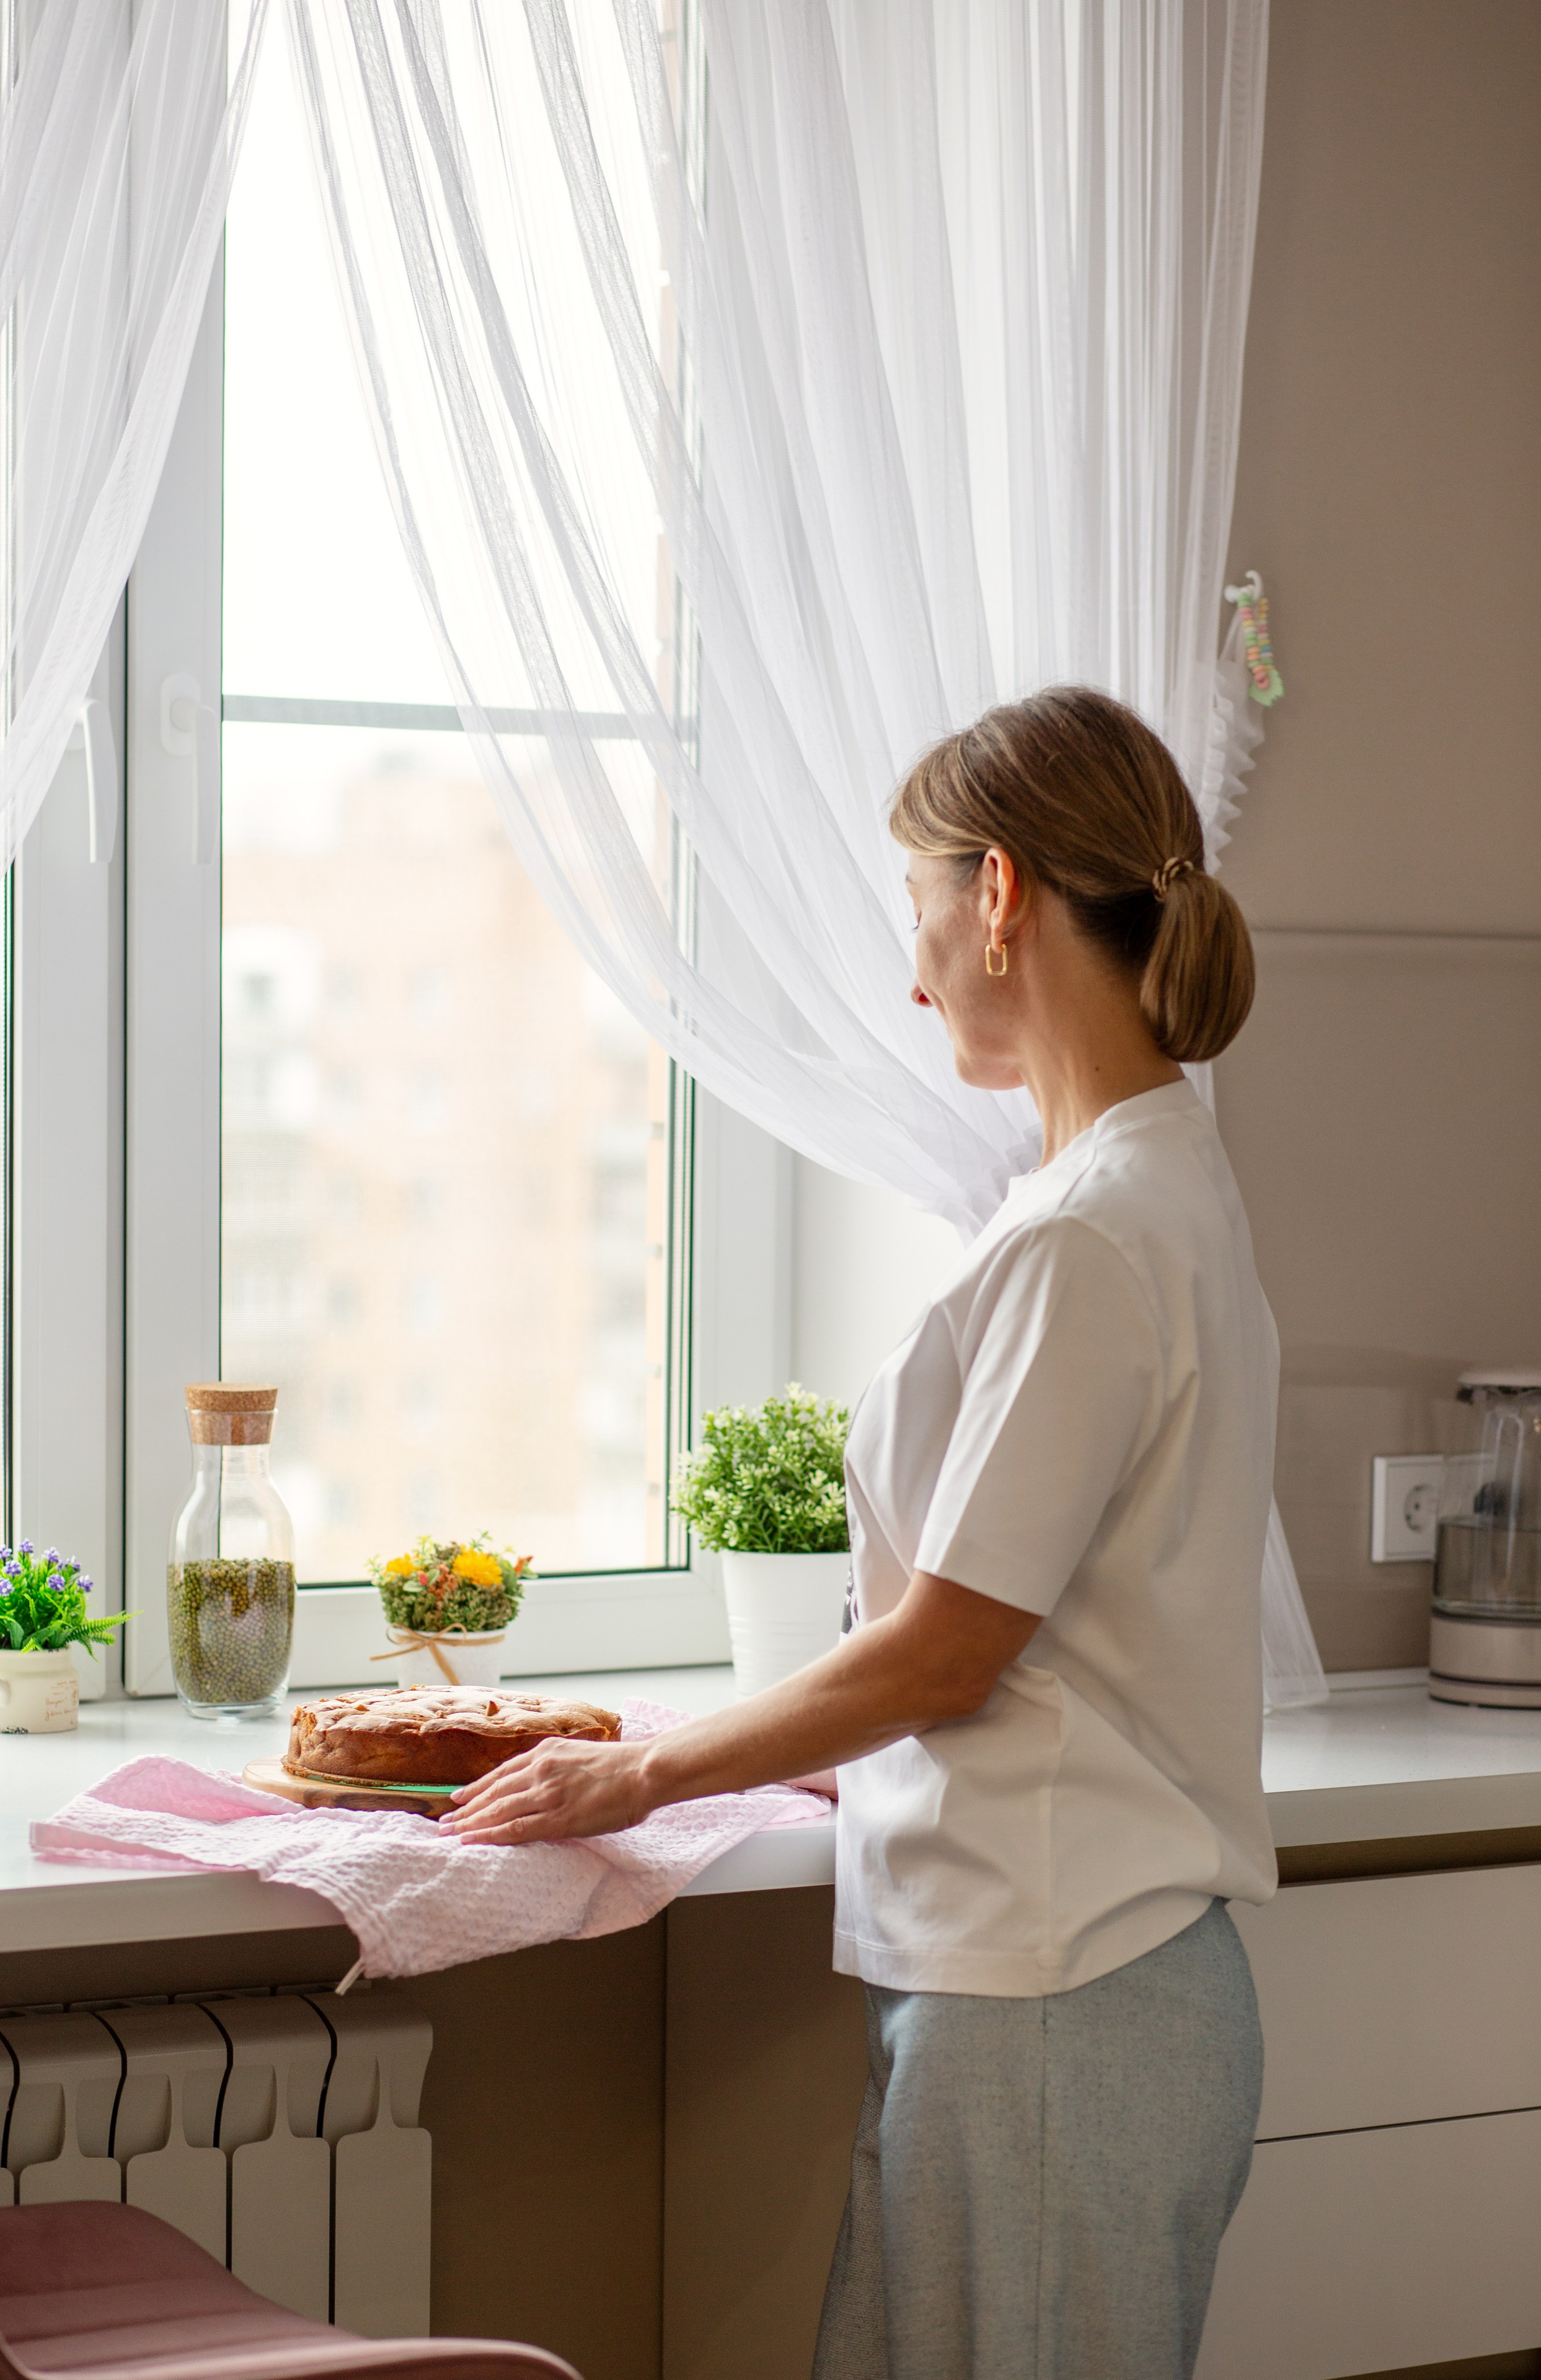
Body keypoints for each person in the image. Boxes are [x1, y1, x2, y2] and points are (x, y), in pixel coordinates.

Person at [440, 685, 1278, 2380]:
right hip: (1059, 1988)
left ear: (1002, 895)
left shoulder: (1090, 1241)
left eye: (919, 914)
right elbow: (1051, 1632)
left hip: (1060, 1993)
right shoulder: (1144, 1192)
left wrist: (641, 1775)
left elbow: (955, 1646)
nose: (913, 978)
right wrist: (808, 1744)